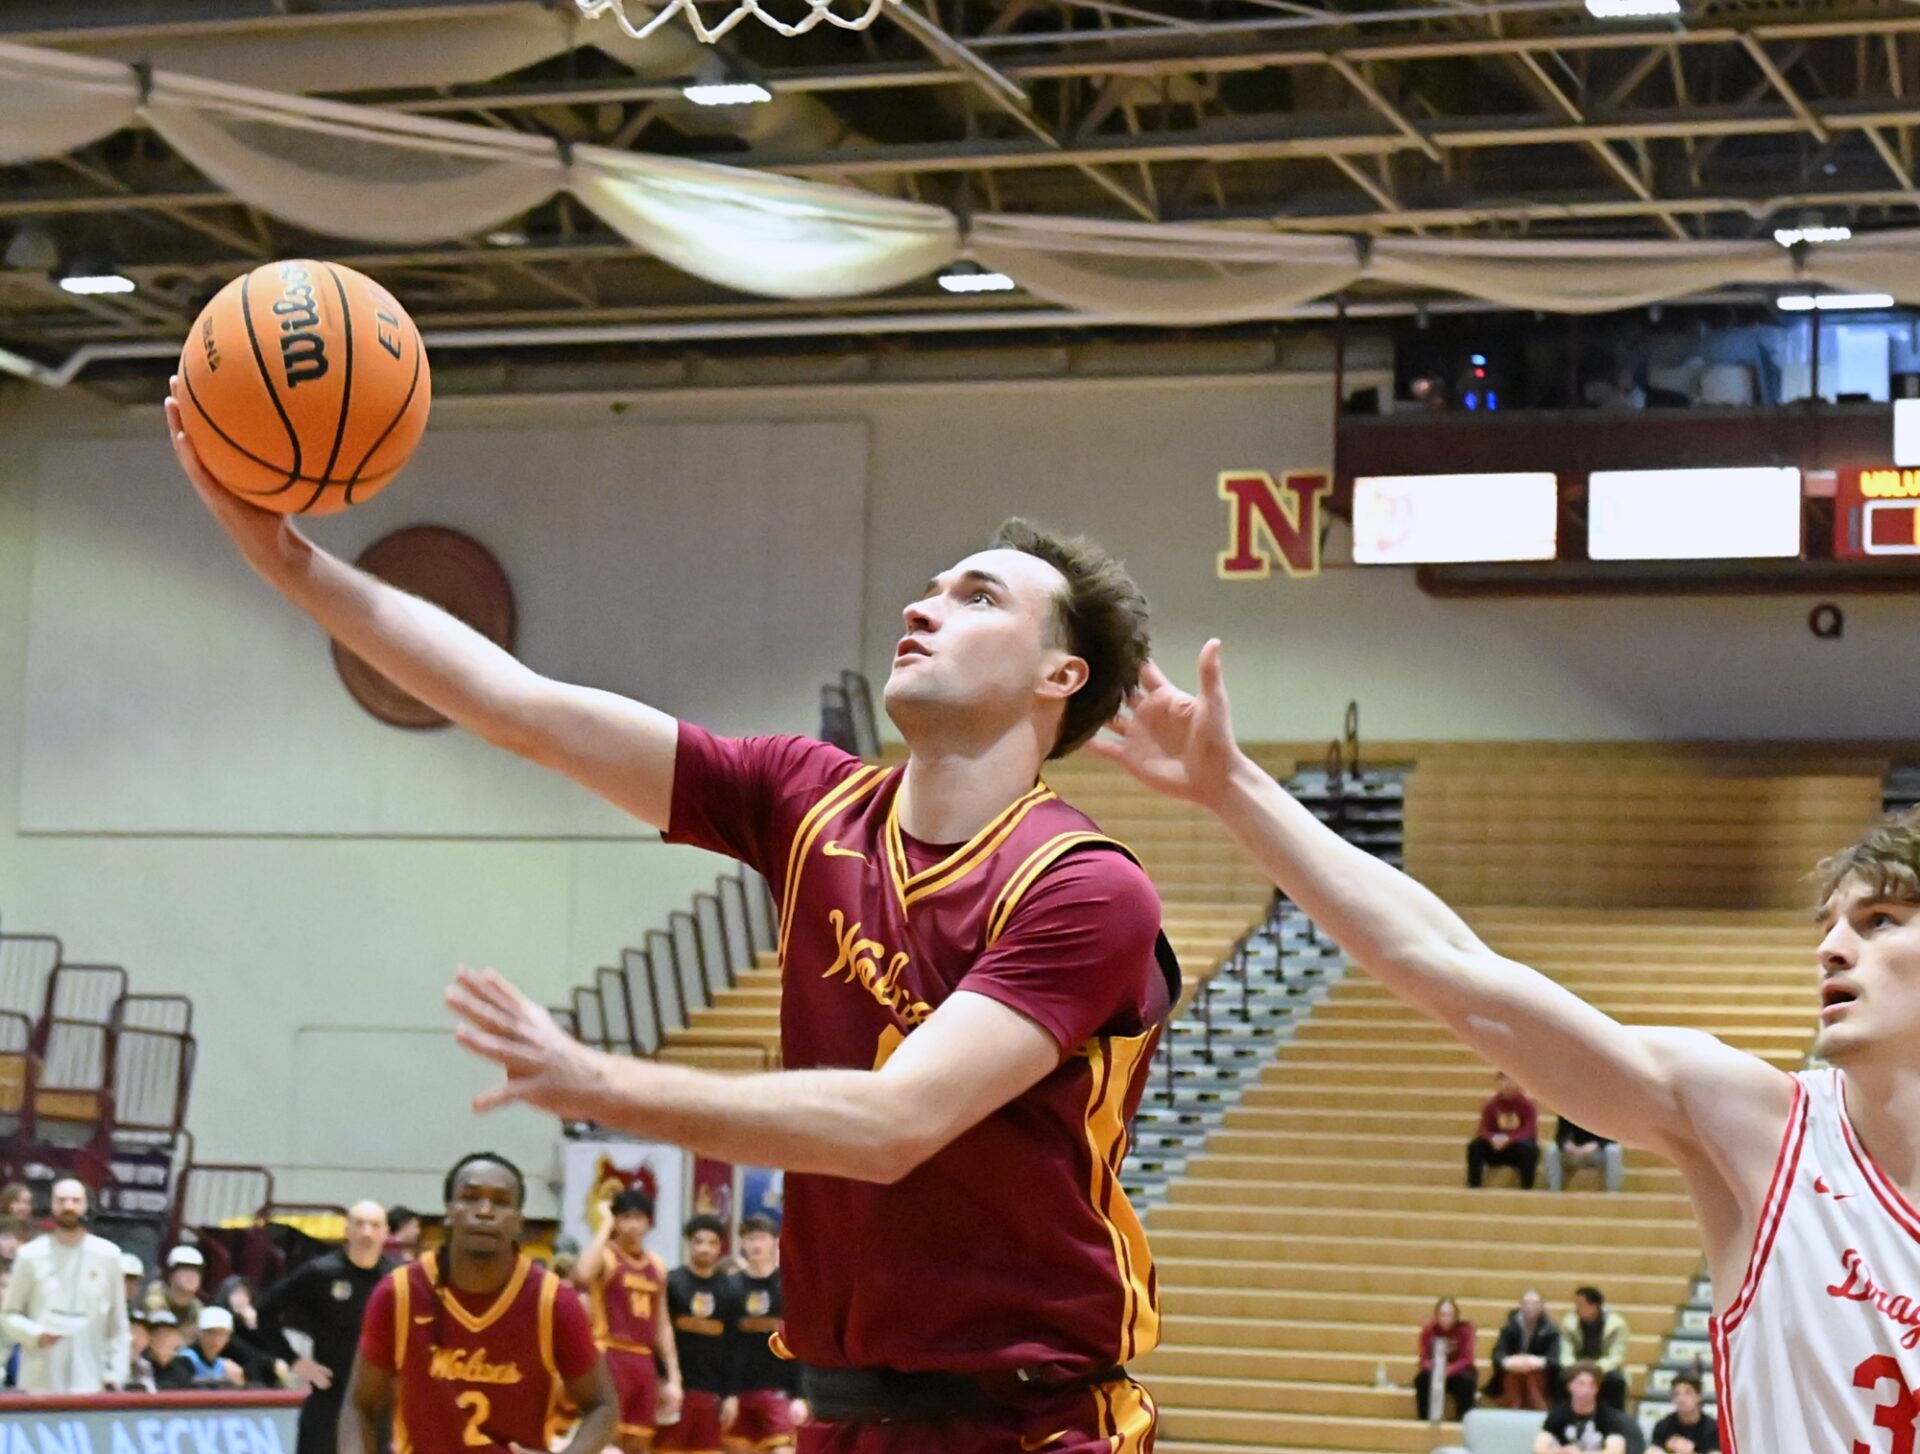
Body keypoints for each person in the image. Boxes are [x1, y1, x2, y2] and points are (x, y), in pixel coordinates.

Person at [170, 409, 1180, 1454]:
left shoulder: (1083, 885)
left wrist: (605, 1085)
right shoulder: (807, 800)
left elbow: (893, 1122)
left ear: (1061, 676)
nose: (926, 606)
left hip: (1030, 1421)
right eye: (928, 586)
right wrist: (286, 559)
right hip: (839, 1414)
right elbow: (522, 708)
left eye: (978, 596)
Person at [1084, 640, 1920, 1445]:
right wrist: (1234, 787)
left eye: (1880, 922)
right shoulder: (1759, 1129)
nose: (1833, 947)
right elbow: (1445, 963)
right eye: (1831, 924)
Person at [340, 1154, 615, 1454]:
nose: (484, 1211)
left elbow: (603, 1405)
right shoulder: (399, 1293)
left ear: (518, 1219)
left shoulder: (553, 1301)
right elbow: (359, 1404)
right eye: (470, 1198)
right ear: (449, 1212)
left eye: (501, 1202)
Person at [256, 1198, 392, 1454]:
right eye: (359, 1224)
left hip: (377, 1404)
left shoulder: (397, 1278)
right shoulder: (320, 1273)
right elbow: (265, 1310)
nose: (366, 1232)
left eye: (374, 1225)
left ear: (386, 1232)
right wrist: (295, 1361)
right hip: (330, 1397)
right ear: (346, 1229)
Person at [0, 1177, 129, 1392]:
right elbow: (8, 1315)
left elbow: (118, 1324)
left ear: (86, 1205)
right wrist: (36, 1335)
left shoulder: (109, 1256)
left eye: (75, 1200)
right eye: (61, 1200)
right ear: (52, 1205)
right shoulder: (30, 1255)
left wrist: (116, 1374)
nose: (68, 1206)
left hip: (90, 1381)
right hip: (39, 1382)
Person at [577, 1187, 681, 1451]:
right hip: (609, 1354)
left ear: (649, 1222)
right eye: (625, 1218)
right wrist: (604, 1227)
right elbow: (582, 1273)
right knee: (605, 1437)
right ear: (616, 1221)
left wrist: (674, 1377)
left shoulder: (656, 1265)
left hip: (643, 1361)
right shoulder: (607, 1256)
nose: (632, 1225)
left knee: (639, 1441)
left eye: (638, 1218)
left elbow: (663, 1325)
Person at [660, 1216, 741, 1454]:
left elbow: (734, 1347)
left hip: (711, 1394)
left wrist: (732, 1395)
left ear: (720, 1247)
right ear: (688, 1243)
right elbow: (659, 1336)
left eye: (712, 1243)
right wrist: (661, 1381)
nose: (704, 1248)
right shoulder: (671, 1282)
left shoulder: (730, 1290)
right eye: (698, 1241)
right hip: (675, 1392)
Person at [724, 1214, 805, 1451]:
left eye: (761, 1238)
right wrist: (728, 1394)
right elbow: (726, 1346)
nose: (756, 1245)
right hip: (740, 1394)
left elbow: (800, 1345)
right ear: (742, 1244)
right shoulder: (730, 1287)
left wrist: (802, 1395)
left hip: (779, 1392)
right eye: (749, 1239)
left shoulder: (789, 1286)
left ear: (775, 1242)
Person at [1534, 1363, 1635, 1454]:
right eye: (1581, 1384)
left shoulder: (1609, 1417)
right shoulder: (1558, 1415)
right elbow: (1539, 1448)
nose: (1587, 1390)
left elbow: (1616, 1451)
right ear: (1570, 1386)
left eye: (1592, 1385)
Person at [1485, 1290, 1561, 1410]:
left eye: (1534, 1304)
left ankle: (1540, 1410)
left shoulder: (1551, 1330)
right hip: (1513, 1371)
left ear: (1541, 1306)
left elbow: (1554, 1359)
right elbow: (1498, 1355)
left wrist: (1534, 1362)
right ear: (1520, 1305)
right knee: (1513, 1376)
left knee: (1532, 1376)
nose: (1530, 1307)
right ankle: (1513, 1409)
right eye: (1526, 1303)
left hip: (1540, 1375)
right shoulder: (1509, 1327)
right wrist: (1511, 1362)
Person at [1559, 1287, 1630, 1410]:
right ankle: (1562, 1416)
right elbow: (1565, 1351)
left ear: (1594, 1306)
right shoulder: (1569, 1322)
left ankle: (1616, 1417)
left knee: (1616, 1380)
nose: (1576, 1308)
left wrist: (1596, 1369)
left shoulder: (1617, 1324)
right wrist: (1573, 1368)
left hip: (1605, 1368)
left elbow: (1617, 1356)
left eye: (1580, 1304)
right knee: (1559, 1376)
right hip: (1577, 1367)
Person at [1468, 1072, 1541, 1190]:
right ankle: (1474, 1186)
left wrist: (1510, 1139)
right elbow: (1484, 1129)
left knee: (1530, 1149)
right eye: (1504, 1080)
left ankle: (1527, 1188)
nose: (1507, 1084)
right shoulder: (1491, 1105)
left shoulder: (1527, 1105)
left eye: (1510, 1080)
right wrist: (1492, 1139)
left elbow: (1529, 1129)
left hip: (1517, 1149)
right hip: (1495, 1148)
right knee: (1475, 1146)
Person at [1413, 1295, 1476, 1421]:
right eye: (1442, 1314)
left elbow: (1467, 1358)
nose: (1445, 1318)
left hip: (1457, 1373)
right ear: (1436, 1315)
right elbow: (1423, 1358)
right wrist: (1435, 1368)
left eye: (1449, 1314)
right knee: (1421, 1380)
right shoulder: (1429, 1330)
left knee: (1468, 1380)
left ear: (1456, 1315)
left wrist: (1449, 1369)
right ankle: (1424, 1418)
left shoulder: (1465, 1330)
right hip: (1435, 1371)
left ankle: (1464, 1420)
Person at [170, 1306, 247, 1388]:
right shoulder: (184, 1360)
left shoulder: (225, 1366)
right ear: (199, 1333)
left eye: (221, 1334)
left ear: (228, 1337)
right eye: (210, 1332)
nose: (215, 1339)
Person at [1546, 1115, 1624, 1194]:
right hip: (1573, 1154)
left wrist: (1595, 1145)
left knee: (1614, 1150)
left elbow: (1611, 1137)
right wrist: (1566, 1145)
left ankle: (1613, 1192)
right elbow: (1560, 1137)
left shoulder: (1602, 1110)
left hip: (1596, 1153)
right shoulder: (1566, 1109)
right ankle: (1554, 1191)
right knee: (1552, 1150)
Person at [1647, 1373, 1718, 1453]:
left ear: (1699, 1396)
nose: (1681, 1399)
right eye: (1676, 1394)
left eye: (1687, 1393)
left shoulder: (1713, 1429)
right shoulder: (1663, 1426)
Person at [140, 1245, 205, 1332]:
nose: (192, 1275)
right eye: (185, 1269)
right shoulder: (151, 1297)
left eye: (196, 1271)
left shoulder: (198, 1309)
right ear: (170, 1274)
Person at [145, 1311, 190, 1391]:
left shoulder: (184, 1368)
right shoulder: (141, 1368)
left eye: (168, 1334)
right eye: (157, 1334)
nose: (162, 1339)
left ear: (177, 1339)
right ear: (148, 1338)